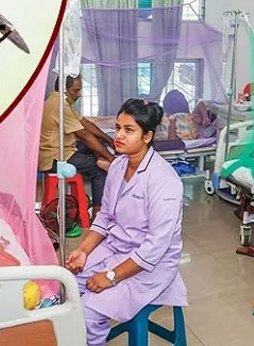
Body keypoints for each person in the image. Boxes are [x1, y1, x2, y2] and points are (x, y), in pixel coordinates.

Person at [65, 98, 187, 346]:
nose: (119, 135)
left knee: (89, 311)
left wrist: (111, 276)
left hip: (151, 265)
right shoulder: (118, 166)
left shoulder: (165, 181)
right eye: (118, 127)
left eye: (129, 130)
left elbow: (154, 249)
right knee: (66, 286)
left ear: (147, 136)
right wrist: (84, 250)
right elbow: (105, 216)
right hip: (116, 248)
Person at [39, 74, 116, 214]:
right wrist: (111, 158)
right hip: (55, 159)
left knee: (98, 143)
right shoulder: (60, 105)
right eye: (75, 90)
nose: (79, 94)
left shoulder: (60, 101)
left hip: (62, 150)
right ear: (64, 89)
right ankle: (98, 213)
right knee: (98, 170)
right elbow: (85, 136)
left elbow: (85, 124)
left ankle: (103, 162)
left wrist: (109, 140)